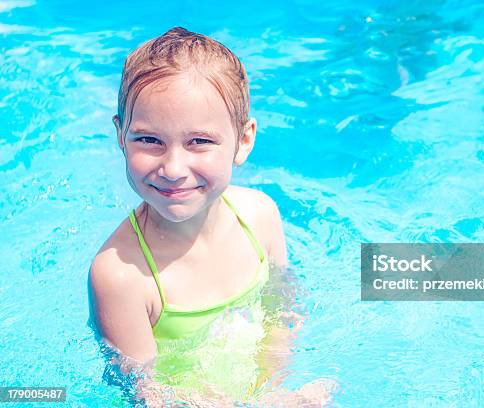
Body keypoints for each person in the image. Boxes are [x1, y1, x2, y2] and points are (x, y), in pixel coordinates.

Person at [88, 27, 335, 406]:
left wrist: (273, 390)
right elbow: (144, 393)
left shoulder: (259, 215)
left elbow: (282, 307)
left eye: (199, 142)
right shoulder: (120, 276)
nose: (172, 168)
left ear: (244, 140)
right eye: (148, 140)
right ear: (121, 135)